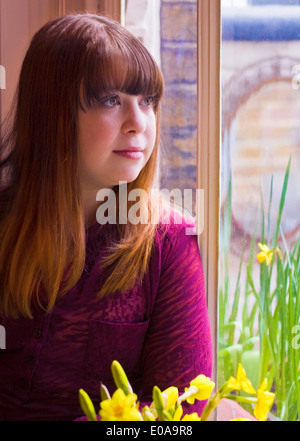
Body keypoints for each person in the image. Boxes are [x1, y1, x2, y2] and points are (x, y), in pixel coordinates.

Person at [0, 13, 212, 421]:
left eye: (147, 101)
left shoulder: (170, 243)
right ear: (53, 114)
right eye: (112, 100)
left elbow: (186, 408)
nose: (139, 123)